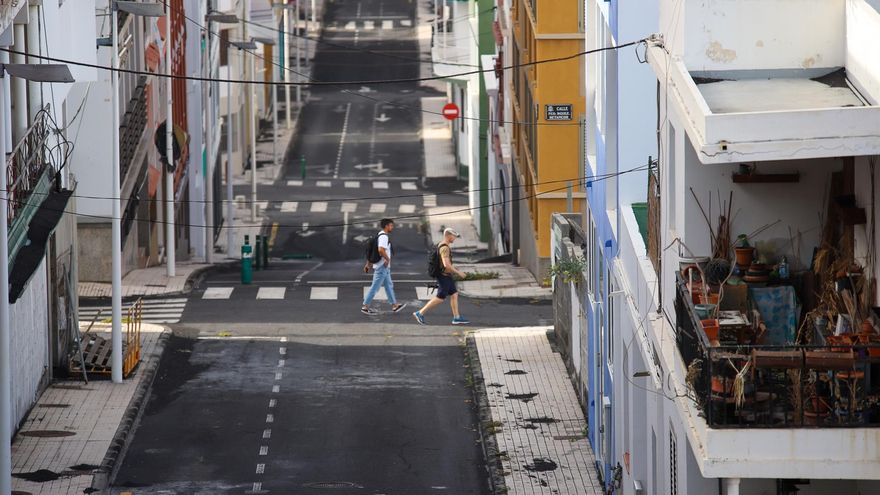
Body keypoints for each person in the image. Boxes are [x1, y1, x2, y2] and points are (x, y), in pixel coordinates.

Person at [413, 228, 470, 325]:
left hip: (446, 275)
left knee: (454, 294)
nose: (455, 238)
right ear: (448, 236)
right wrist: (458, 272)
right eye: (454, 236)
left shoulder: (442, 244)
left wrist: (453, 269)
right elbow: (446, 265)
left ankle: (456, 317)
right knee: (440, 297)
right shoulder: (445, 248)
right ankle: (420, 313)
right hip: (443, 276)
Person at [362, 219, 406, 315]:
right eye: (391, 225)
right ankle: (365, 306)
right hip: (382, 266)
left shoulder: (379, 235)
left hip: (384, 267)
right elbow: (380, 250)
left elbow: (372, 251)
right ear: (386, 226)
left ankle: (394, 305)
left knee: (388, 286)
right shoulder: (384, 237)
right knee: (375, 287)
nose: (392, 227)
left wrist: (368, 264)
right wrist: (387, 259)